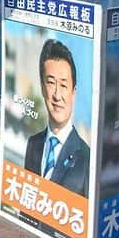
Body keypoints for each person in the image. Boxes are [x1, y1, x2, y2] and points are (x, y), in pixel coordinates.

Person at [23, 39, 90, 197]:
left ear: (74, 92)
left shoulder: (86, 158)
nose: (57, 95)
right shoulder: (33, 144)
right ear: (42, 87)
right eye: (51, 83)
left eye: (64, 85)